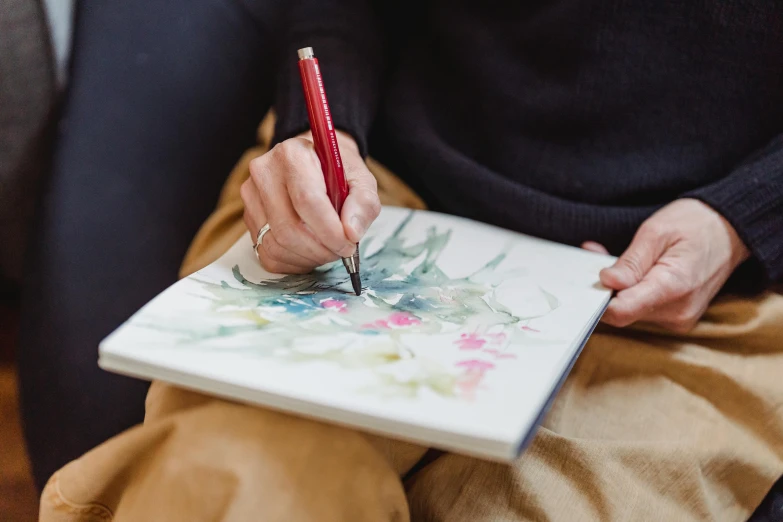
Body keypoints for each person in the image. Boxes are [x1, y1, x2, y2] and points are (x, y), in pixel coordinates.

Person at [37, 1, 783, 521]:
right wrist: (319, 138)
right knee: (244, 477)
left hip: (708, 281)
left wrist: (746, 216)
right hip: (381, 196)